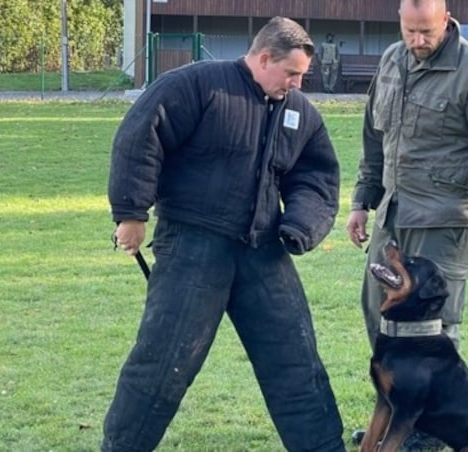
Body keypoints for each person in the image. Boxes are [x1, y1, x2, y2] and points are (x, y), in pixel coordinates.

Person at [102, 16, 345, 452]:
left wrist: (301, 225)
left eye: (302, 77)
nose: (297, 84)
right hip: (192, 248)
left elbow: (316, 177)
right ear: (264, 57)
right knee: (161, 366)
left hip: (265, 252)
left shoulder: (298, 113)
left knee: (297, 364)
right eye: (291, 73)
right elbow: (140, 136)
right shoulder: (198, 86)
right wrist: (131, 214)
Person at [346, 0, 468, 448]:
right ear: (400, 21)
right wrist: (362, 200)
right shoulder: (390, 61)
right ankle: (399, 413)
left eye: (427, 31)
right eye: (410, 31)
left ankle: (428, 430)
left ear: (446, 20)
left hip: (445, 219)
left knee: (436, 328)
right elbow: (374, 138)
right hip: (393, 211)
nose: (418, 41)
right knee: (377, 314)